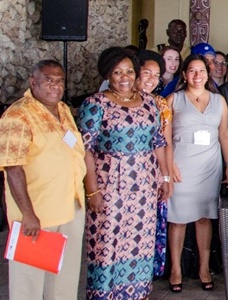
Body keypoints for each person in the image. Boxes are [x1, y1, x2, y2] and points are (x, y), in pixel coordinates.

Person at [79, 47, 170, 298]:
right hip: (109, 188)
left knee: (139, 246)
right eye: (117, 72)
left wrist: (164, 177)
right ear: (108, 75)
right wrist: (92, 190)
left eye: (129, 71)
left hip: (143, 189)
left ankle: (135, 294)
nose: (124, 77)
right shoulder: (95, 104)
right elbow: (84, 149)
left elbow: (158, 142)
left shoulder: (150, 102)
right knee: (106, 246)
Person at [0, 60, 85, 300]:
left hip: (70, 205)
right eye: (49, 80)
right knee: (29, 282)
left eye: (60, 81)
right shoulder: (17, 115)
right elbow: (12, 167)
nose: (55, 86)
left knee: (64, 279)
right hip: (38, 213)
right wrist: (28, 214)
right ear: (33, 82)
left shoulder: (64, 110)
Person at [166, 54, 228, 293]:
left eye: (201, 71)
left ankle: (204, 268)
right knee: (178, 220)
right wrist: (169, 163)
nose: (197, 75)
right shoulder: (174, 99)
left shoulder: (219, 100)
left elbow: (223, 134)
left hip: (209, 166)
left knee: (205, 218)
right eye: (192, 71)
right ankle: (176, 270)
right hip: (181, 165)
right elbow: (164, 136)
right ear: (184, 74)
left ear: (208, 73)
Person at [137, 50, 174, 277]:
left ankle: (142, 283)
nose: (151, 79)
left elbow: (167, 143)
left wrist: (166, 177)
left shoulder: (160, 104)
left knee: (150, 233)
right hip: (126, 180)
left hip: (154, 178)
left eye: (156, 75)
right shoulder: (115, 102)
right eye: (146, 73)